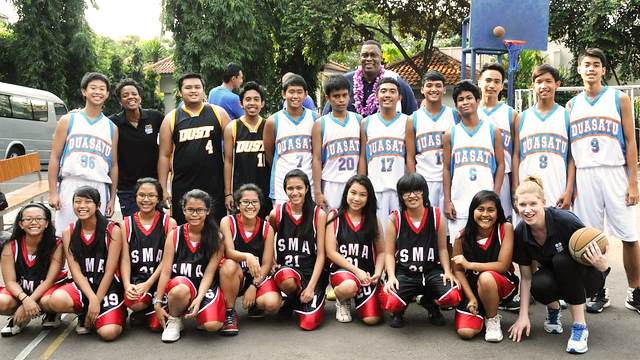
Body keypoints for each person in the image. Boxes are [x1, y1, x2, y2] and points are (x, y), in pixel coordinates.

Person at [566, 48, 640, 314]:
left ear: (603, 70)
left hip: (614, 172)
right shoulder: (572, 105)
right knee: (590, 238)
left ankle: (635, 291)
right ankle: (598, 291)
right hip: (585, 174)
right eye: (586, 64)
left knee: (629, 236)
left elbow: (631, 141)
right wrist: (570, 186)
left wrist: (634, 181)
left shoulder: (619, 98)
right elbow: (571, 152)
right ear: (579, 69)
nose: (591, 69)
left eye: (596, 65)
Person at [508, 175, 611, 354]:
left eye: (533, 204)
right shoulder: (520, 233)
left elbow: (597, 247)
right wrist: (523, 316)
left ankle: (580, 326)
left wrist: (603, 265)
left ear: (543, 202)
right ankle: (554, 309)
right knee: (538, 284)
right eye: (522, 205)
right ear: (516, 205)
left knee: (562, 260)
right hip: (557, 279)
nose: (527, 210)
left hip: (587, 279)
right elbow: (526, 278)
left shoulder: (565, 220)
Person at [380, 172, 461, 328]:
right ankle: (399, 310)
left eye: (417, 190)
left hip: (431, 271)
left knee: (453, 296)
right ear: (401, 196)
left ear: (424, 191)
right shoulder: (395, 218)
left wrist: (448, 271)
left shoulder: (436, 216)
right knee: (390, 300)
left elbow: (443, 249)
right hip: (405, 273)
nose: (412, 195)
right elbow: (389, 253)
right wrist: (391, 276)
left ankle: (430, 302)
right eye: (406, 192)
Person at [49, 186, 126, 341]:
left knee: (109, 333)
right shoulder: (69, 232)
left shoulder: (112, 230)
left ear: (98, 205)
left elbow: (110, 271)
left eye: (87, 202)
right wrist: (92, 299)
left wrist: (97, 300)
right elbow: (75, 270)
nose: (81, 206)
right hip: (84, 286)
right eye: (77, 202)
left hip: (108, 286)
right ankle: (83, 313)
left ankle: (113, 312)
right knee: (56, 300)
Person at [48, 72, 119, 237]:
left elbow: (114, 165)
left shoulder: (111, 127)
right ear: (84, 91)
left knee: (95, 237)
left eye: (102, 89)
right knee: (66, 236)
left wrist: (112, 198)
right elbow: (55, 157)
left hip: (98, 186)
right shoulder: (68, 120)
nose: (97, 92)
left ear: (107, 94)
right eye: (93, 88)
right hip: (71, 184)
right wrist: (52, 192)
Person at [158, 72, 231, 225]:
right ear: (180, 92)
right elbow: (164, 156)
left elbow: (232, 154)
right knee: (184, 232)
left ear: (204, 90)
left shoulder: (218, 113)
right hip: (183, 185)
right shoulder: (171, 118)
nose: (193, 91)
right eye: (188, 87)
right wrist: (163, 189)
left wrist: (229, 190)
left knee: (215, 232)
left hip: (214, 185)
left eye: (197, 87)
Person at [153, 189, 226, 342]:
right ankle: (175, 319)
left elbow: (209, 273)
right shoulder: (175, 234)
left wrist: (199, 298)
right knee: (180, 289)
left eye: (200, 210)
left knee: (212, 325)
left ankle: (200, 312)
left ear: (208, 211)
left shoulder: (216, 236)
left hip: (204, 284)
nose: (194, 214)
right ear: (183, 210)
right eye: (190, 210)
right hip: (181, 284)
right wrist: (158, 302)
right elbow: (165, 271)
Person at [452, 190, 518, 342]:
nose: (485, 214)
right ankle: (481, 310)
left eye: (491, 210)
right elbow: (458, 271)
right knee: (465, 332)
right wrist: (471, 298)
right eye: (480, 209)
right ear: (472, 211)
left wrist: (470, 264)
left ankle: (492, 318)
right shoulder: (461, 237)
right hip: (473, 288)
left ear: (498, 212)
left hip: (501, 283)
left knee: (486, 277)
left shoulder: (505, 228)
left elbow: (502, 266)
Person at [443, 80, 504, 239]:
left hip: (485, 202)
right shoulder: (451, 134)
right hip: (460, 202)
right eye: (460, 100)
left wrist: (495, 195)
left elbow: (501, 165)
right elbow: (447, 169)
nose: (465, 102)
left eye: (469, 98)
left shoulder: (492, 131)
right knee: (458, 249)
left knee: (486, 248)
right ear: (456, 106)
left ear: (478, 101)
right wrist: (448, 200)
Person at [218, 184, 281, 335]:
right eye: (245, 202)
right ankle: (229, 312)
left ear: (260, 205)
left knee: (273, 303)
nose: (250, 206)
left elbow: (266, 264)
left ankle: (256, 304)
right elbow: (229, 251)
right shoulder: (228, 222)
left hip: (255, 276)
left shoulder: (267, 228)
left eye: (255, 202)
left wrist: (254, 285)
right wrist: (247, 256)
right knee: (229, 265)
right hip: (234, 276)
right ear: (238, 205)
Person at [269, 169, 328, 330]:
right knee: (284, 276)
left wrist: (310, 287)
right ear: (285, 189)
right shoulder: (277, 213)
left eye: (299, 188)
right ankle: (292, 299)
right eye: (290, 188)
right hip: (289, 271)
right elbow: (265, 241)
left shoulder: (318, 214)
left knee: (309, 324)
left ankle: (295, 301)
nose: (295, 192)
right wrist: (272, 261)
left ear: (307, 189)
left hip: (311, 273)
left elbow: (322, 255)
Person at [512, 65, 573, 210]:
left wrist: (569, 190)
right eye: (539, 82)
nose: (544, 86)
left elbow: (572, 157)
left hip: (557, 189)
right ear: (533, 85)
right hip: (527, 191)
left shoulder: (566, 116)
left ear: (557, 84)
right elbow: (516, 155)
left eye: (548, 81)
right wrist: (515, 189)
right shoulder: (522, 118)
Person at [0, 204, 67, 336]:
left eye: (39, 219)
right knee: (2, 302)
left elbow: (49, 280)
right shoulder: (10, 245)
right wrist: (25, 300)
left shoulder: (57, 245)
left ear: (47, 223)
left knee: (52, 301)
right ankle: (21, 316)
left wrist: (26, 304)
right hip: (22, 291)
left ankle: (51, 313)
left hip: (47, 290)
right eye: (28, 219)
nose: (34, 222)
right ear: (20, 224)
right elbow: (10, 282)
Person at [325, 175, 384, 324]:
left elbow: (382, 252)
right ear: (346, 193)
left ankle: (360, 300)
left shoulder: (373, 220)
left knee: (372, 319)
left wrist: (377, 273)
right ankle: (342, 299)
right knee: (349, 286)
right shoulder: (334, 216)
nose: (357, 198)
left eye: (362, 195)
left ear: (369, 198)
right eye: (353, 193)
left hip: (367, 275)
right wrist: (356, 271)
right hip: (343, 272)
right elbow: (331, 252)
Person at [120, 178, 176, 330]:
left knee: (156, 326)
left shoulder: (168, 223)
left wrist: (149, 283)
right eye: (141, 195)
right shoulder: (126, 224)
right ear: (135, 197)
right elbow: (124, 260)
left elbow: (167, 260)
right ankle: (143, 310)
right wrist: (127, 285)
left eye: (151, 195)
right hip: (138, 279)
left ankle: (150, 310)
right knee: (135, 301)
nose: (146, 199)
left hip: (161, 280)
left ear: (158, 198)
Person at [109, 78, 165, 216]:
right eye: (125, 95)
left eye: (134, 94)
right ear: (120, 101)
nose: (131, 97)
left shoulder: (155, 117)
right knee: (131, 226)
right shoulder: (113, 123)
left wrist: (163, 188)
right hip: (127, 188)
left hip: (153, 185)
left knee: (156, 226)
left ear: (140, 97)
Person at [358, 77, 407, 233]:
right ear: (376, 96)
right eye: (383, 91)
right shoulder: (367, 123)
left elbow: (411, 157)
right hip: (376, 188)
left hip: (399, 189)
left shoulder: (407, 121)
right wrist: (361, 185)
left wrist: (410, 186)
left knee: (400, 235)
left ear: (399, 97)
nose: (387, 95)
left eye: (392, 91)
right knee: (377, 235)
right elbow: (363, 158)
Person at [322, 40, 417, 117]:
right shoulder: (345, 81)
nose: (368, 59)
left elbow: (411, 117)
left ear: (381, 57)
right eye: (365, 55)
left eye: (373, 55)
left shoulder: (396, 83)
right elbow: (327, 115)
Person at [406, 71, 458, 212]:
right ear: (422, 89)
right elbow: (410, 157)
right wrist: (414, 185)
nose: (434, 89)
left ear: (444, 89)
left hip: (450, 180)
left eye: (438, 85)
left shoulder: (454, 115)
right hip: (425, 180)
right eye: (429, 85)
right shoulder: (413, 119)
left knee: (449, 225)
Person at [264, 74, 316, 205]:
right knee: (281, 222)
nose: (295, 96)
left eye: (299, 92)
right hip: (282, 184)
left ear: (306, 94)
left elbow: (318, 153)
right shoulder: (273, 121)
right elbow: (269, 154)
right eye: (291, 92)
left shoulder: (315, 118)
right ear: (283, 94)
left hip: (309, 182)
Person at [223, 81, 272, 218]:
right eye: (248, 99)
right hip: (240, 188)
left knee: (263, 228)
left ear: (262, 103)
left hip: (265, 189)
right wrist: (228, 193)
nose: (252, 103)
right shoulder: (232, 128)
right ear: (241, 103)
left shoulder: (269, 125)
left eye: (256, 99)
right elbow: (228, 162)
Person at [312, 75, 361, 211]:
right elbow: (316, 159)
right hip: (330, 183)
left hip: (353, 182)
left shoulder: (359, 120)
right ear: (327, 98)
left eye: (345, 95)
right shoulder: (320, 124)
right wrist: (317, 191)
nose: (341, 100)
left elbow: (363, 156)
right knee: (331, 225)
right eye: (336, 96)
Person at [477, 63, 517, 222]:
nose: (491, 85)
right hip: (477, 175)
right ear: (479, 82)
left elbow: (516, 153)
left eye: (496, 81)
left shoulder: (511, 114)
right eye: (488, 80)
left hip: (504, 178)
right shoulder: (469, 112)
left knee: (502, 225)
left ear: (502, 86)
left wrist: (515, 186)